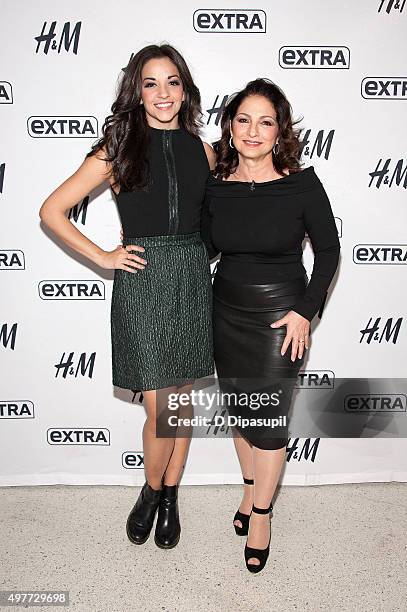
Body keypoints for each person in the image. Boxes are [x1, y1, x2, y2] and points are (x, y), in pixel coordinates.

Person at [39, 44, 215, 550]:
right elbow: (52, 210)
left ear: (185, 89)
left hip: (190, 277)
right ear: (136, 92)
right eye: (151, 83)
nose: (163, 94)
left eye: (172, 82)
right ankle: (150, 488)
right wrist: (102, 257)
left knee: (180, 405)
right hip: (143, 279)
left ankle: (169, 497)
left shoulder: (201, 150)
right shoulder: (117, 147)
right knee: (159, 407)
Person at [201, 78, 340, 572]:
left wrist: (305, 311)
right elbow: (203, 248)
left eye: (266, 121)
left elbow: (328, 253)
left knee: (268, 423)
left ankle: (262, 514)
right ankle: (247, 493)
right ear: (230, 127)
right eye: (244, 120)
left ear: (280, 130)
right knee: (240, 412)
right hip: (226, 310)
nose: (253, 131)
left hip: (282, 317)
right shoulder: (215, 187)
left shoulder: (303, 183)